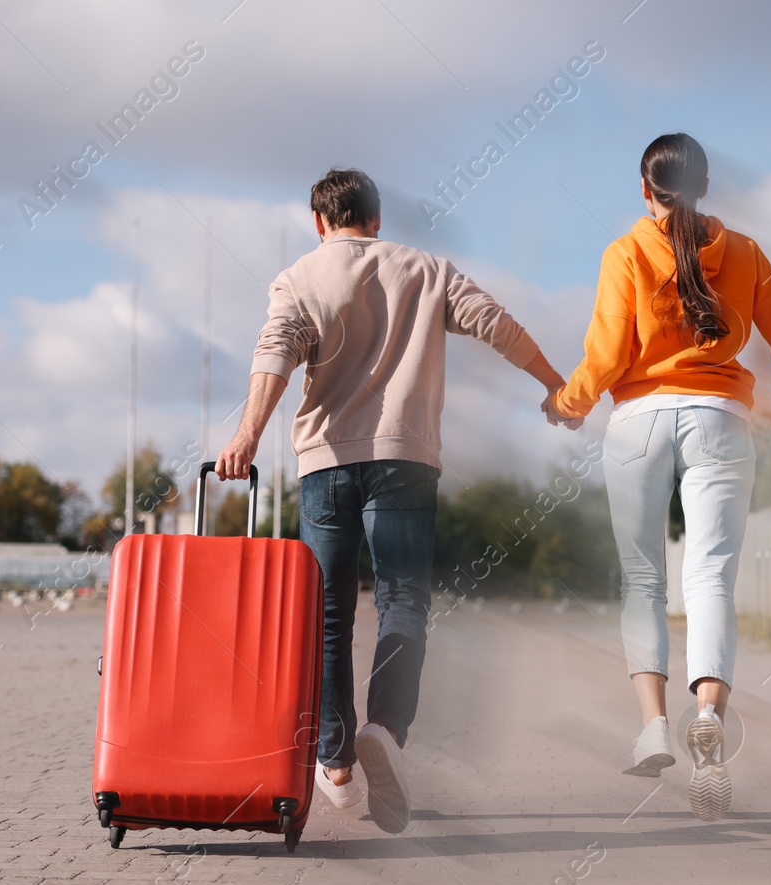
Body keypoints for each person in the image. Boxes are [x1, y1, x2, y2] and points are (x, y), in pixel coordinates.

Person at [545, 133, 771, 821]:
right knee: (709, 576)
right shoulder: (742, 253)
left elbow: (602, 354)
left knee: (645, 578)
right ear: (705, 186)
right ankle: (708, 710)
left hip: (639, 420)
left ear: (643, 187)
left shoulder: (625, 251)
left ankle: (653, 723)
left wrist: (566, 404)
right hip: (720, 419)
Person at [216, 167, 571, 835]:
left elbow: (275, 354)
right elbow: (495, 322)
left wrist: (246, 436)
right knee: (404, 599)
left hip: (326, 463)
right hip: (407, 460)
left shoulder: (298, 278)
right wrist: (556, 385)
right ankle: (383, 727)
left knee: (326, 614)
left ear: (320, 223)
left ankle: (337, 760)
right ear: (376, 219)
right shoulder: (427, 270)